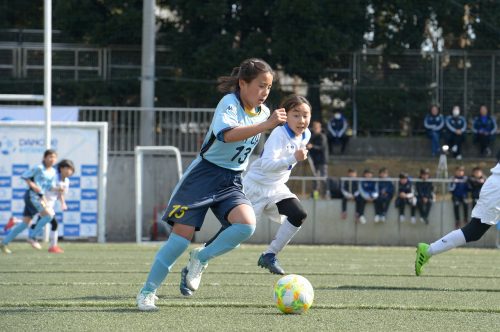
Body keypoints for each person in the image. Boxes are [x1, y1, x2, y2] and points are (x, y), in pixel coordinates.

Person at [135, 58, 287, 311]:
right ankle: (147, 292)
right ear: (243, 84)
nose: (265, 92)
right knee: (179, 240)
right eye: (261, 86)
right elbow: (226, 135)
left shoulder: (262, 113)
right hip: (203, 176)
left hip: (231, 180)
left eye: (269, 87)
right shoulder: (229, 103)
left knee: (246, 226)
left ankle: (200, 258)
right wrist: (266, 125)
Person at [415, 154, 500, 276]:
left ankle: (428, 250)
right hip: (497, 188)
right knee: (474, 231)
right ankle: (428, 251)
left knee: (475, 232)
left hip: (495, 186)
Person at [0, 149, 58, 254]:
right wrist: (32, 185)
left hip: (40, 197)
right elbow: (25, 176)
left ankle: (4, 242)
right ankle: (32, 237)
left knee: (25, 223)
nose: (51, 159)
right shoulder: (38, 168)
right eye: (49, 156)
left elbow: (50, 186)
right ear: (44, 158)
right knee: (48, 215)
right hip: (33, 196)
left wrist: (58, 189)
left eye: (54, 157)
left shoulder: (53, 172)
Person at [28, 159, 75, 253]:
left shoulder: (66, 181)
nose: (69, 171)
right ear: (61, 168)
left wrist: (63, 203)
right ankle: (53, 246)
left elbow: (60, 193)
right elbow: (43, 187)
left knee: (37, 223)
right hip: (42, 202)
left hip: (50, 204)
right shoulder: (53, 177)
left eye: (71, 169)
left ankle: (16, 222)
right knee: (54, 223)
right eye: (67, 168)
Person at [307, 120, 329, 199]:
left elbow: (321, 147)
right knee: (315, 178)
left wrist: (312, 146)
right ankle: (315, 195)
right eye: (314, 128)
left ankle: (326, 193)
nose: (315, 129)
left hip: (322, 161)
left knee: (323, 178)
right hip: (314, 161)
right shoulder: (312, 136)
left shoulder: (322, 136)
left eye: (316, 128)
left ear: (320, 128)